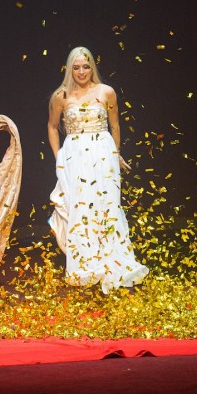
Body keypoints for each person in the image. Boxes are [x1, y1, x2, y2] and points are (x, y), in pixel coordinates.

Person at [47, 46, 149, 293]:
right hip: (75, 156)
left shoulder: (106, 92)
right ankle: (86, 265)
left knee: (107, 205)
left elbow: (115, 126)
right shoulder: (60, 95)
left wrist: (115, 155)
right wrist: (59, 158)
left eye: (86, 66)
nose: (81, 71)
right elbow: (52, 127)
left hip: (103, 154)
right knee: (80, 207)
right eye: (76, 67)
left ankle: (112, 261)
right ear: (70, 69)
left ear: (92, 67)